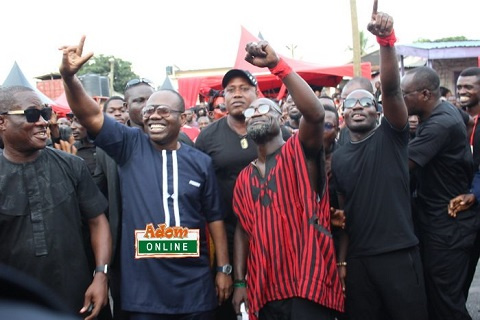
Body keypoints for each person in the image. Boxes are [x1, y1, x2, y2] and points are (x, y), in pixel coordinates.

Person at [60, 36, 232, 319]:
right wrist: (68, 76)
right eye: (149, 110)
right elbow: (89, 114)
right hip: (143, 294)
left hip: (195, 289)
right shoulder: (129, 146)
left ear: (184, 117)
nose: (153, 115)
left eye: (163, 110)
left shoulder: (200, 162)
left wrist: (223, 269)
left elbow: (214, 218)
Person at [232, 40, 344, 320]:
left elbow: (316, 113)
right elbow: (242, 231)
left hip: (308, 282)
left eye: (264, 109)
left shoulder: (299, 150)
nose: (255, 114)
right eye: (250, 113)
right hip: (264, 288)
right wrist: (240, 281)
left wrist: (277, 66)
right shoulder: (244, 177)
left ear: (281, 116)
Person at [331, 6, 427, 320]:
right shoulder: (340, 152)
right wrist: (343, 261)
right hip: (360, 260)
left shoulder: (392, 134)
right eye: (351, 102)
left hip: (399, 255)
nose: (358, 107)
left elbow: (391, 88)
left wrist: (386, 42)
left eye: (366, 102)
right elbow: (343, 214)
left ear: (377, 109)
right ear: (342, 111)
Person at [0, 85, 111, 320]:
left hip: (79, 298)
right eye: (32, 114)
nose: (43, 122)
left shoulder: (72, 165)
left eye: (45, 112)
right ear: (2, 122)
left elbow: (98, 222)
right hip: (18, 306)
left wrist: (101, 275)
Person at [195, 67, 290, 320]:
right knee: (231, 305)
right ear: (223, 97)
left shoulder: (278, 132)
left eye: (244, 88)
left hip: (275, 235)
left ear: (256, 93)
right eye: (230, 90)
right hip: (226, 233)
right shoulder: (207, 137)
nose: (237, 95)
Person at [404, 65, 478, 318]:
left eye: (405, 94)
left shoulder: (441, 124)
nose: (400, 99)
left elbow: (403, 165)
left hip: (448, 225)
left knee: (446, 302)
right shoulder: (449, 111)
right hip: (439, 219)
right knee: (439, 298)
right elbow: (468, 123)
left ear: (425, 95)